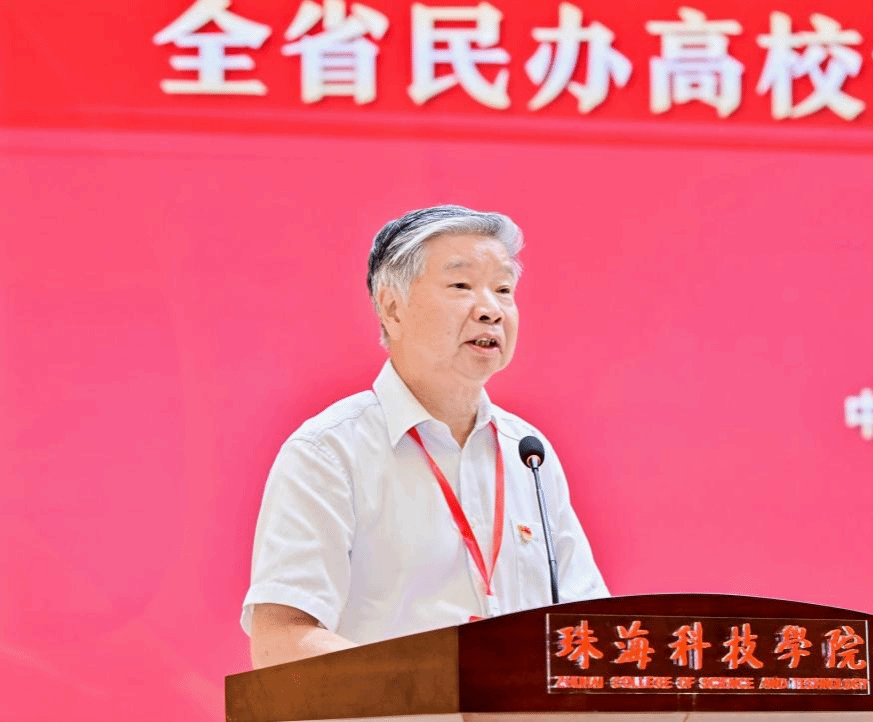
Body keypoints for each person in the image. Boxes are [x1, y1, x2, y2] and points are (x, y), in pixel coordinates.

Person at [241, 205, 608, 668]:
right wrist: (429, 685)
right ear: (392, 308)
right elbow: (281, 642)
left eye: (503, 290)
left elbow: (589, 627)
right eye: (461, 286)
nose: (491, 310)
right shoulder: (329, 452)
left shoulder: (528, 453)